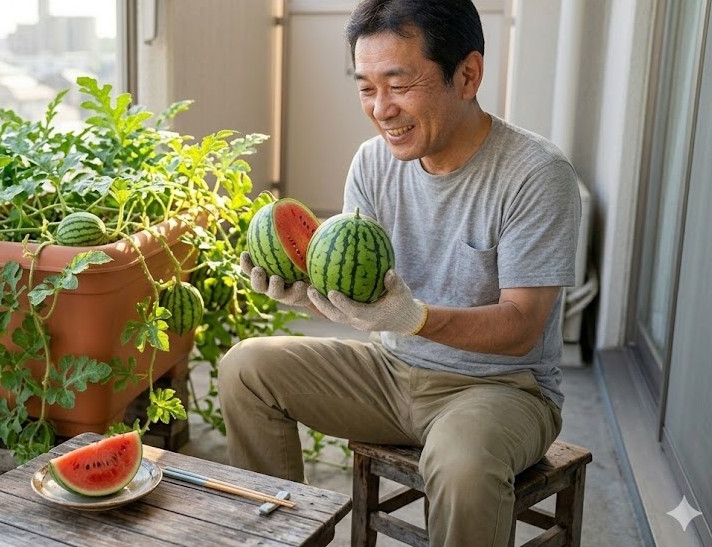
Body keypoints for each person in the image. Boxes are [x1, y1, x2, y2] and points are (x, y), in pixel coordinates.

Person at [218, 0, 583, 545]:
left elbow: (522, 326)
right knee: (246, 368)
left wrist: (414, 318)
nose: (381, 109)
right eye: (366, 87)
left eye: (399, 84)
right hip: (391, 372)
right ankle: (283, 538)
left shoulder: (536, 173)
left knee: (462, 466)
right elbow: (366, 298)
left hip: (503, 390)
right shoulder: (372, 162)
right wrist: (313, 295)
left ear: (468, 75)